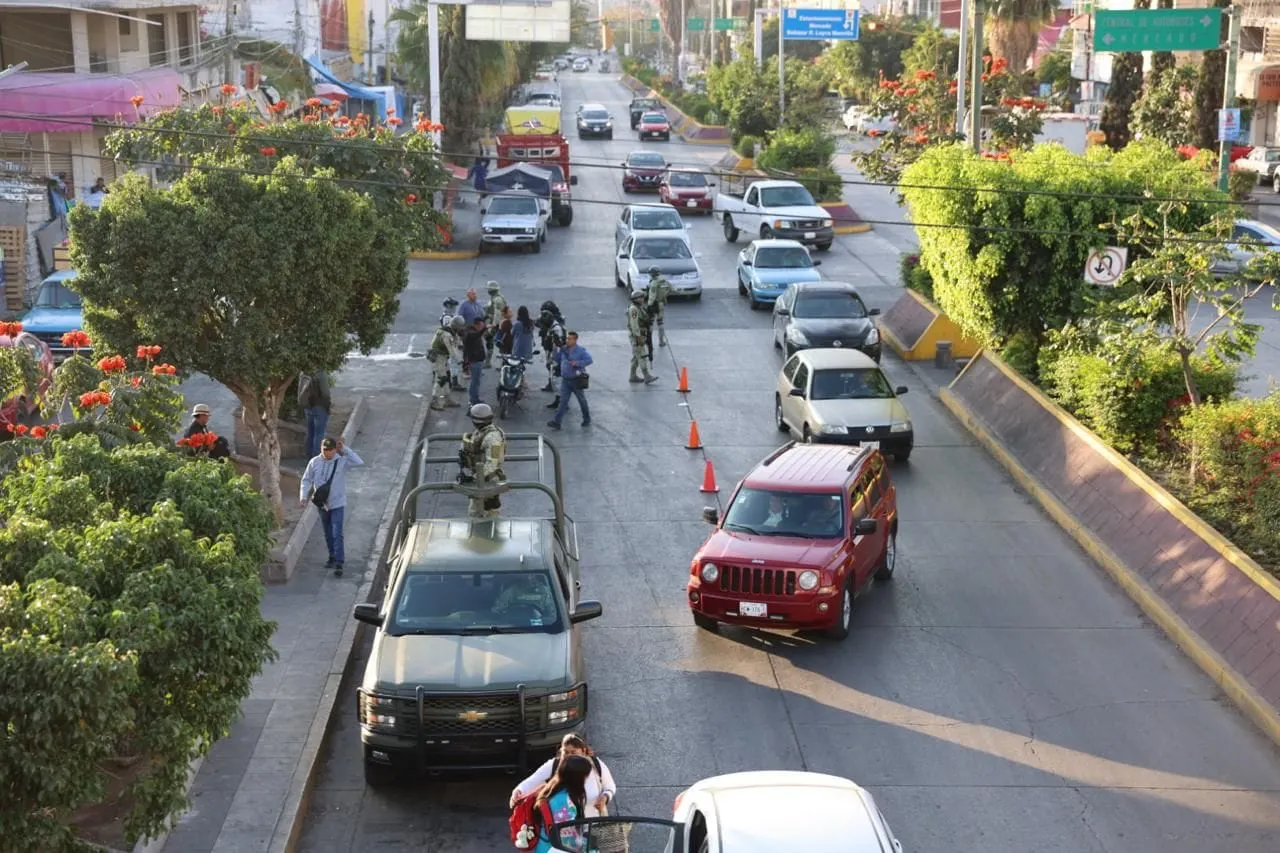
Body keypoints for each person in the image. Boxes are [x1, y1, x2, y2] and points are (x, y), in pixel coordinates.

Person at [299, 437, 364, 576]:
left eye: (330, 450)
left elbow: (359, 462)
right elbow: (306, 480)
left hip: (337, 502)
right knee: (328, 533)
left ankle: (339, 562)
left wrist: (345, 450)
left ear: (335, 449)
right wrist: (303, 496)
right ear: (321, 449)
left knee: (337, 532)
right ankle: (332, 556)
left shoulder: (341, 461)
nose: (328, 453)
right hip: (322, 503)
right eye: (325, 450)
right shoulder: (314, 462)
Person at [511, 735, 617, 818]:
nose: (569, 756)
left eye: (573, 752)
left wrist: (605, 797)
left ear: (584, 751)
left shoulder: (596, 765)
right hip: (563, 833)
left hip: (592, 827)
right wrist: (518, 791)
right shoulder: (554, 765)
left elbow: (610, 787)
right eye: (566, 752)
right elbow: (531, 781)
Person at [532, 754, 593, 853]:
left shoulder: (553, 789)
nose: (587, 778)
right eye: (586, 775)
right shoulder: (563, 801)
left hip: (546, 846)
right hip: (554, 849)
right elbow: (566, 837)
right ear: (577, 778)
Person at [459, 403, 506, 518]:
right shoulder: (480, 432)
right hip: (481, 477)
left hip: (487, 480)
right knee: (480, 511)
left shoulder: (493, 438)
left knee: (485, 512)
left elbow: (493, 463)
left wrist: (475, 478)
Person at [547, 331, 592, 431]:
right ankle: (557, 422)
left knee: (582, 400)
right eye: (567, 338)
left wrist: (578, 363)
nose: (568, 340)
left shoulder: (580, 351)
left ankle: (586, 418)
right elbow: (556, 359)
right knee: (563, 402)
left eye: (570, 339)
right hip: (566, 380)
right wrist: (555, 348)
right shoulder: (564, 350)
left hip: (576, 380)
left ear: (575, 340)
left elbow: (589, 360)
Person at [428, 316, 465, 410]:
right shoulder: (447, 334)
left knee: (446, 377)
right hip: (439, 357)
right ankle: (434, 400)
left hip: (442, 357)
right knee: (441, 378)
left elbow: (455, 343)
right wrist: (459, 360)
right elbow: (452, 349)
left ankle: (447, 398)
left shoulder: (447, 330)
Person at [297, 370, 331, 459]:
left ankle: (309, 455)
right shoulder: (320, 373)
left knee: (310, 431)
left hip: (308, 406)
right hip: (320, 407)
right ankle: (317, 457)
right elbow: (326, 393)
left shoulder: (303, 372)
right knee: (319, 433)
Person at [536, 301, 567, 397]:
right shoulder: (549, 319)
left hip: (553, 348)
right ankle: (552, 384)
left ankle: (560, 391)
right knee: (550, 366)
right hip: (548, 345)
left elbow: (559, 342)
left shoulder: (555, 324)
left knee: (554, 368)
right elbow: (538, 323)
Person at [627, 291, 658, 385]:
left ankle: (632, 376)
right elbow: (634, 324)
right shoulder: (633, 309)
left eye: (642, 297)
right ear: (634, 299)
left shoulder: (640, 307)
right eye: (639, 297)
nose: (641, 299)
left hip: (643, 333)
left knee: (636, 357)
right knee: (642, 356)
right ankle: (647, 376)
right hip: (637, 335)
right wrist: (638, 336)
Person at [644, 266, 673, 352]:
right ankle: (661, 341)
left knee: (650, 323)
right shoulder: (664, 281)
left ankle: (649, 342)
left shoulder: (653, 283)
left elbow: (652, 296)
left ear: (651, 274)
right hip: (661, 304)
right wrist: (664, 296)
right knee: (660, 322)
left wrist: (649, 305)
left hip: (654, 304)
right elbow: (671, 289)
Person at [462, 317, 487, 405]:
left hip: (476, 360)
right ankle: (473, 399)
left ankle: (474, 398)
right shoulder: (471, 333)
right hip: (475, 361)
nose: (482, 327)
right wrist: (484, 329)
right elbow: (476, 335)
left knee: (476, 381)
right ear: (477, 325)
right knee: (475, 382)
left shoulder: (471, 331)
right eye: (481, 325)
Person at [484, 281, 509, 367]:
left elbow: (497, 314)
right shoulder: (495, 298)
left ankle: (491, 362)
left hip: (498, 324)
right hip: (499, 323)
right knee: (496, 342)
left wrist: (493, 326)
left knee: (497, 342)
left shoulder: (497, 299)